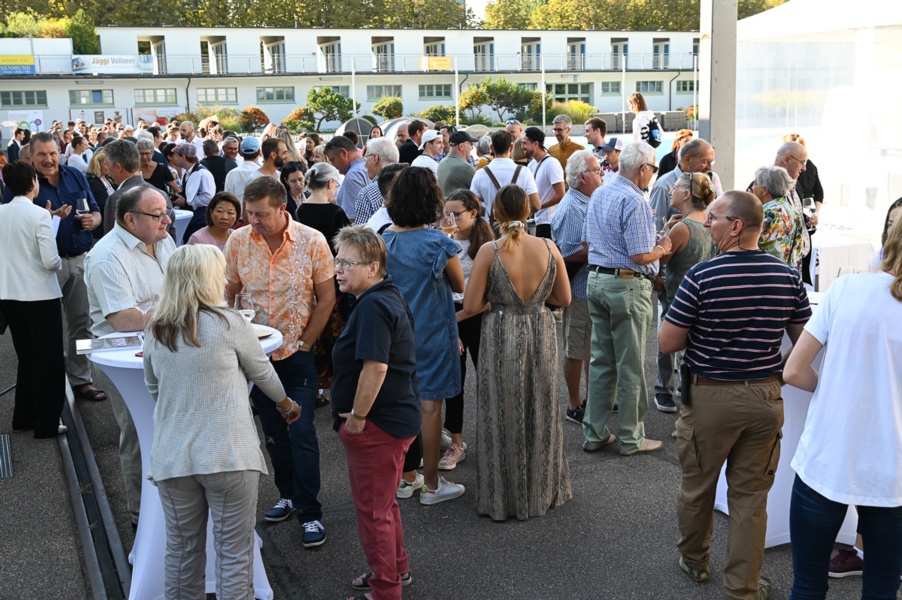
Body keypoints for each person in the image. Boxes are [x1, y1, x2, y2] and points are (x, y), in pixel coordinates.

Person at [659, 191, 812, 600]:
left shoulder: (702, 277)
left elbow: (668, 341)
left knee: (698, 486)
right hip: (764, 398)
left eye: (714, 218)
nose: (707, 224)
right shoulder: (788, 276)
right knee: (750, 498)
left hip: (710, 397)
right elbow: (805, 341)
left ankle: (695, 560)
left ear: (737, 226)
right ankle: (743, 587)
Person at [143, 244, 299, 600]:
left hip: (174, 457)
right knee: (234, 554)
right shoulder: (229, 322)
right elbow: (263, 373)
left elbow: (154, 387)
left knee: (182, 552)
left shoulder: (156, 329)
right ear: (210, 279)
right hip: (229, 453)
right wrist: (287, 404)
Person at [782, 216, 902, 599]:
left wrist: (835, 390)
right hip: (893, 473)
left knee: (807, 585)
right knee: (882, 589)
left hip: (826, 455)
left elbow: (794, 370)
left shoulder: (848, 287)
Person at [224, 176, 335, 547]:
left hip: (295, 356)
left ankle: (310, 512)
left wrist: (305, 344)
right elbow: (229, 292)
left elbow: (327, 298)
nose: (253, 221)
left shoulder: (312, 240)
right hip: (255, 359)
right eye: (249, 213)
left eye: (261, 215)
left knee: (302, 434)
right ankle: (287, 495)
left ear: (282, 209)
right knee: (272, 434)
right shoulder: (238, 241)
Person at [461, 183, 573, 520]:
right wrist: (536, 298)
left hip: (501, 331)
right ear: (528, 211)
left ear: (495, 212)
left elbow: (471, 305)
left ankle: (505, 495)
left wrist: (498, 298)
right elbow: (564, 299)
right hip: (540, 330)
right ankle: (541, 488)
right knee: (540, 405)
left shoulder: (490, 251)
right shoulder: (549, 247)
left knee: (502, 410)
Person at [331, 226, 421, 600]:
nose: (338, 269)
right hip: (395, 418)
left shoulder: (373, 306)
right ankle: (395, 569)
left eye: (346, 263)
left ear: (372, 268)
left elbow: (376, 367)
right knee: (383, 506)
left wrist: (356, 417)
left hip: (378, 425)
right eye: (337, 261)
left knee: (373, 511)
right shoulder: (383, 295)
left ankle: (385, 589)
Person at [85, 184, 177, 528]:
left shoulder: (163, 240)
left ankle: (172, 506)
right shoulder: (107, 255)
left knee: (171, 427)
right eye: (158, 215)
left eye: (167, 212)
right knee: (139, 431)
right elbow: (123, 320)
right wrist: (176, 310)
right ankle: (143, 518)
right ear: (130, 219)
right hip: (125, 358)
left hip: (167, 347)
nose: (167, 220)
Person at [382, 167, 466, 505]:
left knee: (401, 405)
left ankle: (406, 478)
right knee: (430, 410)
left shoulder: (383, 239)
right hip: (432, 330)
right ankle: (432, 485)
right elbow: (459, 284)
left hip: (395, 333)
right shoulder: (438, 242)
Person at [2, 132, 105, 403]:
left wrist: (93, 220)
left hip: (79, 259)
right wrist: (47, 217)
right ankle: (49, 385)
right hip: (42, 268)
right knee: (45, 332)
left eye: (53, 153)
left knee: (82, 324)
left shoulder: (76, 175)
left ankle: (82, 379)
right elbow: (11, 222)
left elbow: (95, 210)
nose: (49, 159)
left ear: (60, 153)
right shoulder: (21, 183)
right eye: (42, 154)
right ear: (31, 156)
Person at [581, 142, 670, 455]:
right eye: (653, 169)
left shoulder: (601, 192)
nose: (652, 174)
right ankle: (631, 437)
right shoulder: (635, 201)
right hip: (626, 285)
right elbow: (641, 255)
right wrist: (663, 248)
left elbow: (587, 241)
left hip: (597, 279)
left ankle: (594, 433)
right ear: (643, 169)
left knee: (601, 362)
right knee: (630, 365)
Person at [0, 160, 66, 438]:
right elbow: (51, 262)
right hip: (40, 296)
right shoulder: (40, 216)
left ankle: (24, 417)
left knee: (26, 357)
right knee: (48, 360)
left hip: (8, 295)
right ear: (33, 183)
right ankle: (47, 424)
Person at [439, 190, 494, 471]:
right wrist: (450, 323)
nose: (449, 219)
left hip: (479, 315)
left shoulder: (487, 244)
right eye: (445, 213)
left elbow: (491, 294)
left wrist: (456, 319)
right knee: (454, 384)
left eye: (455, 214)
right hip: (449, 314)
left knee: (489, 380)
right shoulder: (442, 241)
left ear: (473, 213)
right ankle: (456, 443)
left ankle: (493, 439)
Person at [656, 173, 717, 415]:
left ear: (687, 194)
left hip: (679, 297)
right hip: (705, 297)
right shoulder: (710, 222)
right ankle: (686, 389)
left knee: (666, 342)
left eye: (675, 188)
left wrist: (665, 230)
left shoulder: (682, 228)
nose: (671, 192)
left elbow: (659, 259)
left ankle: (664, 388)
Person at [550, 150, 603, 424]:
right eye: (597, 170)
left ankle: (594, 400)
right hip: (579, 290)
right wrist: (605, 249)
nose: (602, 173)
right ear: (582, 177)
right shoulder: (573, 208)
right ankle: (574, 405)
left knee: (592, 350)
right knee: (576, 351)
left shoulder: (585, 200)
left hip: (588, 288)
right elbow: (568, 253)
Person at [782, 133, 825, 285]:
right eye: (802, 163)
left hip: (806, 207)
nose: (804, 168)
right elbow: (818, 194)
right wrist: (813, 213)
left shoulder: (807, 169)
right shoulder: (776, 181)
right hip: (807, 206)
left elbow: (818, 193)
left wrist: (813, 214)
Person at [469, 130, 540, 219]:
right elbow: (536, 205)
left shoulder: (480, 174)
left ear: (492, 148)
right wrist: (521, 216)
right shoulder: (524, 172)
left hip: (491, 225)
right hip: (518, 226)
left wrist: (488, 211)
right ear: (511, 147)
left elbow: (471, 204)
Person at [752, 165, 804, 270]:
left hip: (768, 272)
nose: (752, 188)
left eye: (755, 184)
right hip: (788, 272)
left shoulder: (768, 213)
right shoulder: (792, 211)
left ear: (764, 190)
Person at [522, 127, 565, 239]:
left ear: (535, 144)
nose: (522, 147)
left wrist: (539, 206)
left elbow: (560, 194)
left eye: (525, 143)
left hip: (550, 222)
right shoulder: (532, 164)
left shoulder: (552, 163)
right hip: (538, 220)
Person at [355, 138, 399, 226]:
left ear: (375, 158)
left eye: (366, 158)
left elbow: (361, 233)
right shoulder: (413, 184)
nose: (365, 164)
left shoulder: (367, 194)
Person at [325, 135, 368, 222]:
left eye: (332, 160)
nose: (332, 165)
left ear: (343, 153)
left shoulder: (352, 177)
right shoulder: (366, 167)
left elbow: (352, 220)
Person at [437, 131, 477, 196]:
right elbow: (480, 193)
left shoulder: (442, 162)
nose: (472, 147)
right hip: (460, 202)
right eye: (471, 144)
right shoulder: (465, 168)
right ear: (461, 146)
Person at [225, 137, 262, 205]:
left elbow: (227, 198)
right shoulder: (263, 173)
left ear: (241, 152)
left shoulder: (232, 174)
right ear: (259, 152)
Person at [86, 149, 114, 240]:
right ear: (97, 163)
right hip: (101, 231)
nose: (109, 166)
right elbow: (105, 203)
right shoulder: (93, 181)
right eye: (106, 163)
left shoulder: (107, 178)